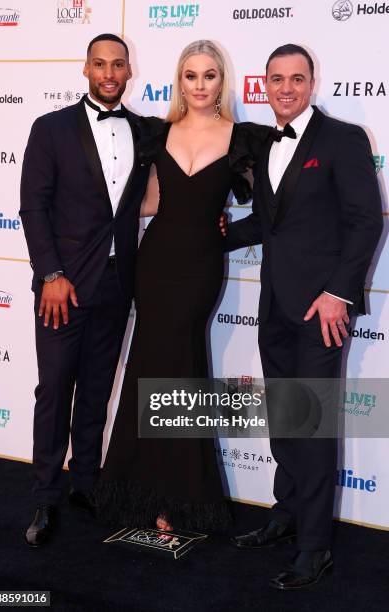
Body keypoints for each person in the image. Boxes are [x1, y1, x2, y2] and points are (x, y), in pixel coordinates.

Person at [95, 40, 275, 532]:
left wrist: (228, 233)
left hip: (199, 267)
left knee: (181, 366)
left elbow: (269, 212)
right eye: (191, 75)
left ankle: (178, 495)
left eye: (209, 76)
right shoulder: (157, 134)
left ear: (222, 82)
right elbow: (149, 202)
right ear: (180, 81)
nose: (200, 85)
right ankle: (141, 492)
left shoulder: (245, 139)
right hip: (154, 265)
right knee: (150, 367)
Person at [227, 44, 383, 589]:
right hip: (274, 307)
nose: (286, 88)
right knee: (286, 421)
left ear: (312, 82)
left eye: (297, 78)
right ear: (265, 86)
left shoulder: (342, 139)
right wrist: (212, 232)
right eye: (277, 80)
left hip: (322, 313)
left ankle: (315, 548)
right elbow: (269, 223)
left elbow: (367, 223)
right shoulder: (265, 143)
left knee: (313, 430)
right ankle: (286, 515)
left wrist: (339, 293)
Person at [20, 33, 151, 546]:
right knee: (54, 390)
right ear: (86, 69)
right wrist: (51, 275)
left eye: (118, 64)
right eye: (100, 64)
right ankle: (45, 497)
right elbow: (34, 206)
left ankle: (86, 484)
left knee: (97, 389)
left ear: (129, 69)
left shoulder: (143, 131)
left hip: (118, 284)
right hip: (64, 286)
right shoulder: (50, 129)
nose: (110, 73)